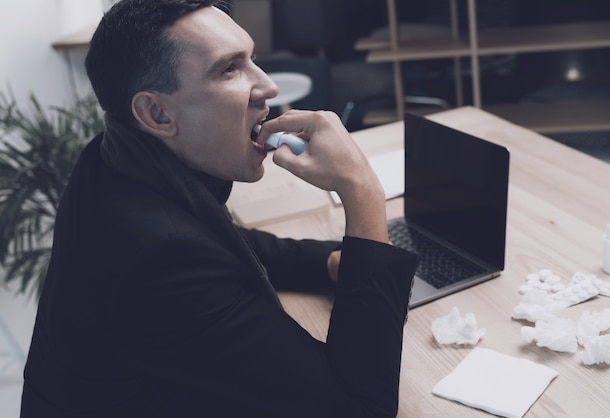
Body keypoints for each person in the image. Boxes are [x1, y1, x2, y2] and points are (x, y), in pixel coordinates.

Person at [20, 1, 419, 417]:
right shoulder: (156, 259)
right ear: (157, 113)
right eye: (229, 69)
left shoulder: (114, 160)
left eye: (250, 59)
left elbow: (215, 242)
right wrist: (361, 189)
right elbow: (359, 408)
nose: (268, 86)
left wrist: (328, 263)